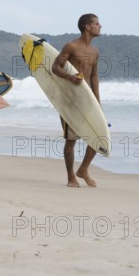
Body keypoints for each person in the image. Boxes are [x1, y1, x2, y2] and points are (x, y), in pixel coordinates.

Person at [52, 13, 102, 188]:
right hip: (70, 100)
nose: (100, 26)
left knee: (99, 136)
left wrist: (98, 101)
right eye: (96, 23)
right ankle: (70, 177)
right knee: (71, 140)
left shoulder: (95, 51)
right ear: (87, 27)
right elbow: (55, 67)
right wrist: (70, 77)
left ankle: (83, 169)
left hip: (87, 99)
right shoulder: (71, 46)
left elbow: (94, 76)